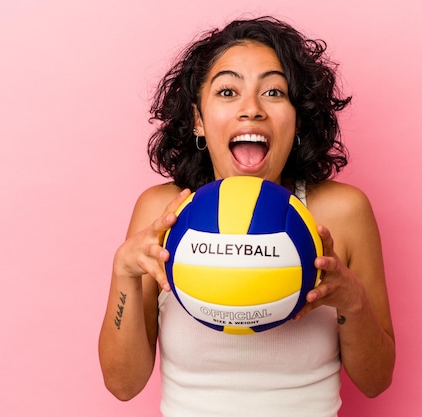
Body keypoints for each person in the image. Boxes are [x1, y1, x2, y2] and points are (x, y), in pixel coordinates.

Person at [98, 16, 395, 417]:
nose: (251, 109)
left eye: (273, 91)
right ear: (199, 120)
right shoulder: (161, 214)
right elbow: (122, 385)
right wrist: (124, 274)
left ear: (299, 118)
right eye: (227, 91)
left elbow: (376, 383)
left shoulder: (341, 213)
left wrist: (352, 302)